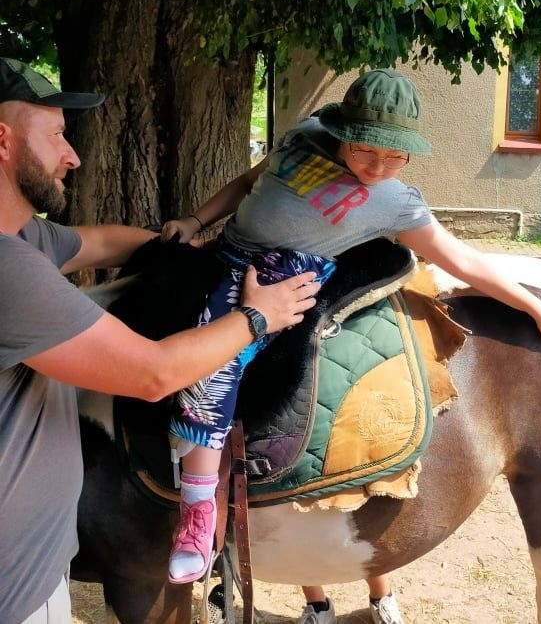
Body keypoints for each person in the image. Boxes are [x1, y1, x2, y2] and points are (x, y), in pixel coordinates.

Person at [161, 68, 541, 623]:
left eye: (395, 156)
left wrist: (535, 306)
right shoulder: (304, 135)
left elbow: (464, 260)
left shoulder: (395, 202)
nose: (379, 166)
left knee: (208, 372)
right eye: (366, 151)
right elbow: (249, 182)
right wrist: (196, 219)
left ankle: (197, 510)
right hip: (228, 254)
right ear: (341, 132)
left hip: (283, 281)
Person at [0, 57, 320, 624]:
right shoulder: (9, 271)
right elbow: (154, 374)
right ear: (3, 141)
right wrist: (257, 316)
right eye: (55, 137)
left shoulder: (23, 235)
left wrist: (177, 247)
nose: (71, 155)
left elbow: (95, 243)